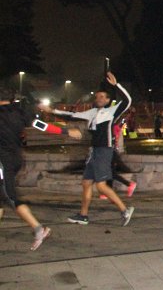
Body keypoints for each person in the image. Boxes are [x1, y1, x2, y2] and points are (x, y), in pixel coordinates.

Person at [44, 72, 135, 226]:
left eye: (102, 97)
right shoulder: (92, 113)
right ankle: (83, 215)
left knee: (100, 186)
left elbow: (128, 100)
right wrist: (52, 111)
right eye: (97, 97)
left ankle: (124, 210)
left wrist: (116, 85)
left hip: (104, 151)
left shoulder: (111, 112)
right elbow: (72, 115)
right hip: (94, 151)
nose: (98, 99)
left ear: (107, 100)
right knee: (86, 183)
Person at [1, 89, 82, 250]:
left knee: (10, 196)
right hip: (16, 158)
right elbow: (41, 125)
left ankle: (39, 229)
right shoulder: (20, 112)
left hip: (3, 162)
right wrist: (66, 131)